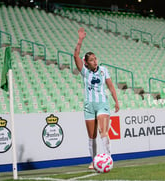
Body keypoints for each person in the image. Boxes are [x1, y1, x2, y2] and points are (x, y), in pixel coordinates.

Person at [74, 27, 119, 169]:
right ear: (86, 62)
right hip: (89, 106)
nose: (95, 61)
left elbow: (111, 86)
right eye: (92, 60)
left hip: (102, 104)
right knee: (92, 136)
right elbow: (75, 56)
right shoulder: (84, 72)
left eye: (95, 59)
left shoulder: (104, 70)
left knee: (103, 131)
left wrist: (116, 102)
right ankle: (94, 161)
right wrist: (80, 40)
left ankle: (108, 158)